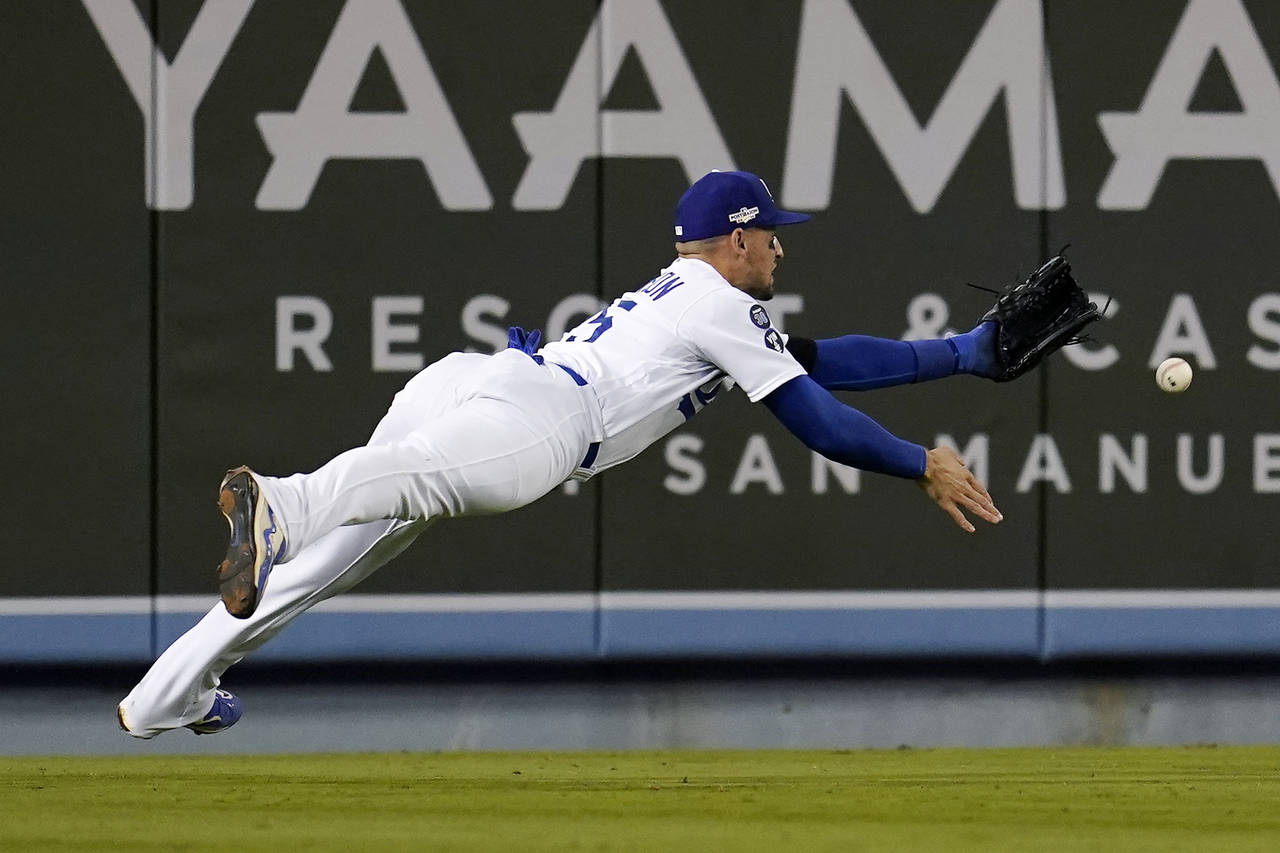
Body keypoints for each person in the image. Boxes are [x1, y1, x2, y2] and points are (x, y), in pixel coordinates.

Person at [116, 170, 1003, 738]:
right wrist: (920, 463)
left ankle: (168, 694)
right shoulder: (721, 307)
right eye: (772, 230)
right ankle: (281, 499)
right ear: (737, 239)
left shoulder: (699, 304)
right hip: (541, 415)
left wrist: (956, 353)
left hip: (485, 377)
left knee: (323, 565)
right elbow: (817, 421)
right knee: (372, 500)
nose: (780, 243)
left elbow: (825, 359)